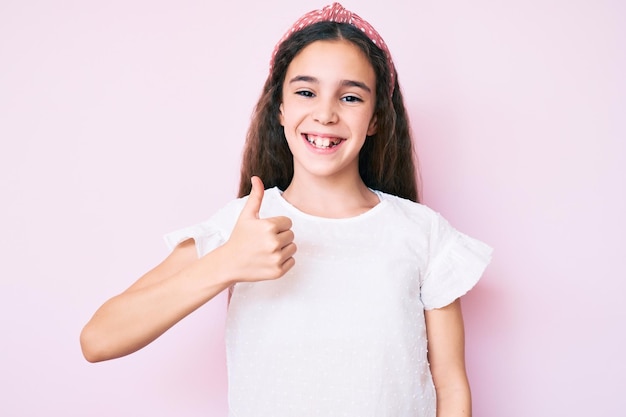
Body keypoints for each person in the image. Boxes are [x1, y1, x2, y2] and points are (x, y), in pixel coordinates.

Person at [80, 3, 492, 416]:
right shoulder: (244, 226)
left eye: (350, 97)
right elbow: (98, 339)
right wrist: (227, 263)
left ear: (375, 120)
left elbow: (451, 387)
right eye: (306, 92)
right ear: (280, 108)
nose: (326, 113)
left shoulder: (423, 234)